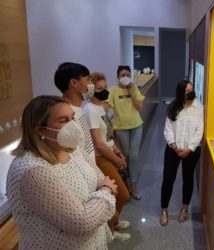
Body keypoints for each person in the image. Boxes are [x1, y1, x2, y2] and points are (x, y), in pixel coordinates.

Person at [6, 95, 117, 249]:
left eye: (72, 118)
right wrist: (106, 190)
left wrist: (100, 193)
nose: (73, 125)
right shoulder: (33, 170)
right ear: (39, 130)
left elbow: (99, 178)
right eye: (63, 120)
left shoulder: (72, 149)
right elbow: (81, 223)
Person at [83, 72, 131, 241]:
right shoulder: (89, 110)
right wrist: (116, 159)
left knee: (119, 194)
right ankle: (109, 230)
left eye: (104, 87)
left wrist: (118, 151)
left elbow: (108, 136)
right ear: (91, 90)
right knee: (122, 194)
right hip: (101, 158)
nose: (104, 91)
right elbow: (99, 143)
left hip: (110, 154)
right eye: (99, 89)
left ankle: (113, 222)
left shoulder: (101, 107)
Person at [160, 80, 204, 226]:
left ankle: (184, 209)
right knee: (168, 179)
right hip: (173, 149)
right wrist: (173, 145)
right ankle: (164, 210)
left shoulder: (199, 108)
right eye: (187, 91)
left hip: (191, 151)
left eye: (191, 90)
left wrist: (189, 148)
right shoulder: (173, 107)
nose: (190, 93)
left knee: (188, 179)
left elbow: (199, 131)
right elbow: (167, 128)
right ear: (180, 94)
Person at [107, 65, 145, 199]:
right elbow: (107, 108)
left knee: (134, 156)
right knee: (125, 155)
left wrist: (131, 92)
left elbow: (139, 107)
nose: (125, 77)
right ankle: (126, 180)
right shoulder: (112, 90)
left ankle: (133, 184)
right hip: (121, 128)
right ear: (118, 77)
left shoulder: (133, 88)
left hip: (136, 126)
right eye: (122, 75)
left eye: (127, 75)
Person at [54, 62, 95, 159]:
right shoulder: (66, 115)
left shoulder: (77, 108)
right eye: (88, 79)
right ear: (74, 83)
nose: (92, 84)